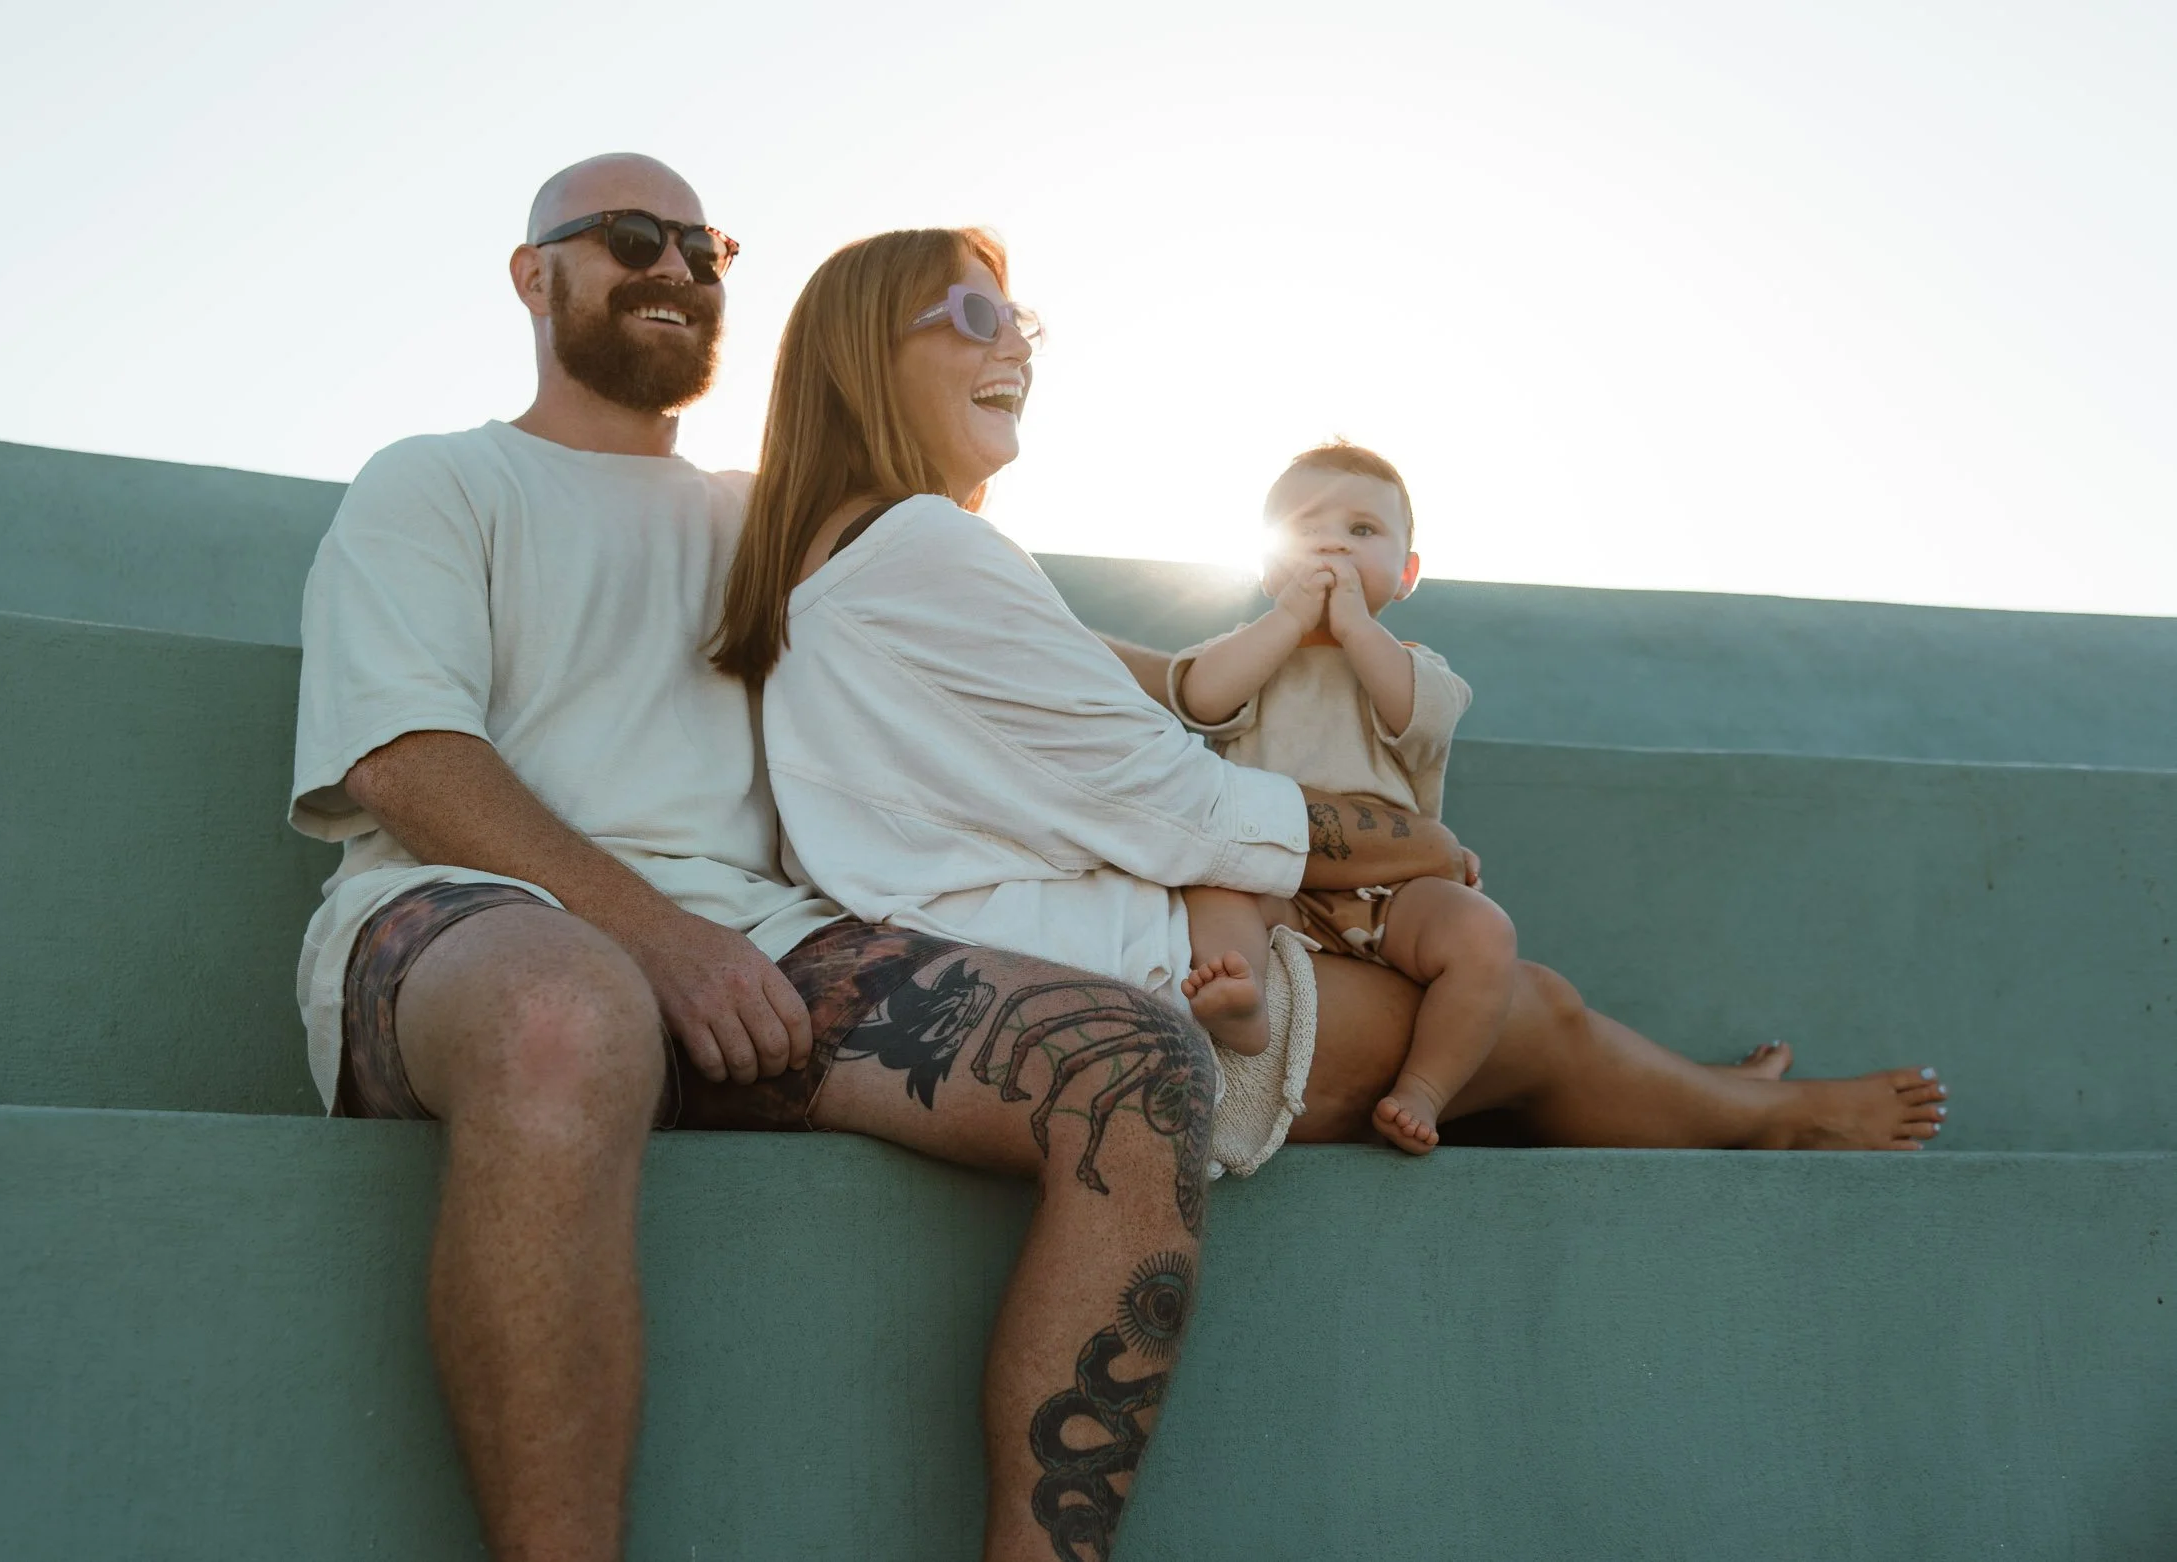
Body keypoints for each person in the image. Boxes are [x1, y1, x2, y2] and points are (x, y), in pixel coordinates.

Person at [288, 154, 1413, 1562]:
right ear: (535, 274)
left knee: (1137, 1063)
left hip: (772, 947)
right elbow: (407, 759)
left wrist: (1250, 701)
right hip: (477, 923)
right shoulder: (442, 479)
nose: (677, 271)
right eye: (632, 238)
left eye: (708, 250)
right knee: (570, 1016)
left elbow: (1089, 675)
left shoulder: (785, 520)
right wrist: (660, 939)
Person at [716, 224, 1951, 1190]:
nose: (1019, 346)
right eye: (978, 314)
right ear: (864, 349)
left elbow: (1126, 678)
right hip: (1126, 987)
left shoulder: (845, 560)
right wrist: (1405, 837)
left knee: (1520, 1014)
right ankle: (1772, 1118)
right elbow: (1172, 787)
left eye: (1023, 318)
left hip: (1012, 961)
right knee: (1529, 1009)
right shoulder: (926, 544)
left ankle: (1728, 1101)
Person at [1172, 438, 1510, 1157]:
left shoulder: (1417, 667)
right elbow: (1201, 697)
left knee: (1485, 933)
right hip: (1269, 877)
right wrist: (1289, 621)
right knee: (1210, 894)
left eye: (1361, 531)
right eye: (1305, 529)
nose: (1331, 545)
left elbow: (1416, 716)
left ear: (1407, 573)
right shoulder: (1253, 649)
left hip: (1388, 890)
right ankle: (1245, 1003)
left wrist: (1355, 626)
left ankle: (1424, 1086)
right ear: (1267, 566)